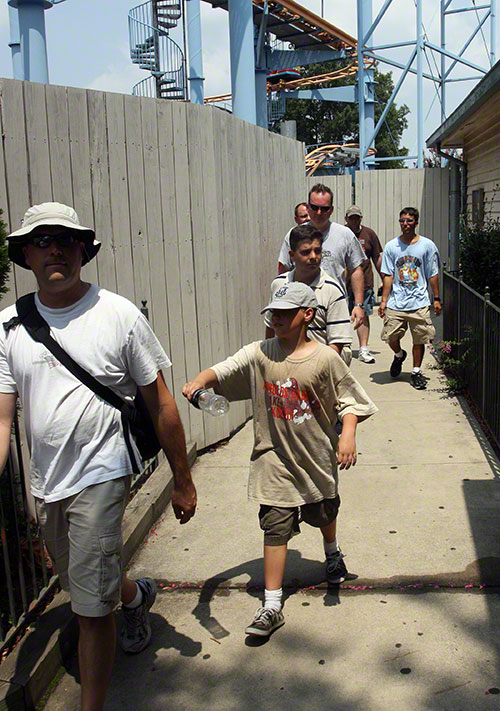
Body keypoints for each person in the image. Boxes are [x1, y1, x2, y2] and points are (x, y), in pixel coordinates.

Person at [0, 203, 197, 711]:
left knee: (88, 611)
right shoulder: (9, 328)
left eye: (65, 239)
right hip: (47, 482)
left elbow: (161, 401)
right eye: (42, 241)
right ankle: (135, 598)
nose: (55, 249)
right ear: (26, 254)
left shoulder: (119, 315)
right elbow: (2, 419)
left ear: (83, 250)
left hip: (102, 472)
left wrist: (183, 479)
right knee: (82, 584)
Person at [183, 281, 377, 637]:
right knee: (275, 525)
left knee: (323, 512)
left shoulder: (325, 359)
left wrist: (347, 433)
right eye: (274, 313)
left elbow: (351, 400)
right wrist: (199, 381)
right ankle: (271, 605)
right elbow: (225, 370)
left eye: (286, 313)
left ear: (307, 315)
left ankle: (331, 552)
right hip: (272, 459)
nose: (277, 319)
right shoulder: (260, 353)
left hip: (316, 457)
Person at [277, 184, 366, 341]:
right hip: (300, 308)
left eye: (324, 209)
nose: (319, 212)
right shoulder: (294, 234)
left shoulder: (344, 235)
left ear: (331, 210)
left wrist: (358, 305)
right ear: (308, 207)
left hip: (334, 308)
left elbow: (356, 269)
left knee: (335, 356)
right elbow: (284, 268)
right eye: (314, 207)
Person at [265, 223, 352, 360]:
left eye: (317, 251)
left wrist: (313, 369)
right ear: (292, 255)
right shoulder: (279, 285)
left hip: (322, 363)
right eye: (306, 252)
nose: (313, 256)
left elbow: (337, 343)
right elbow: (270, 327)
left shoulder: (332, 290)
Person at [378, 206, 442, 390]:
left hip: (419, 301)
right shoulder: (392, 246)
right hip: (396, 301)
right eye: (402, 220)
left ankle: (416, 371)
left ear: (416, 222)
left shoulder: (427, 246)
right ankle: (399, 355)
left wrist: (436, 298)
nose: (405, 224)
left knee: (419, 339)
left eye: (409, 220)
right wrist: (384, 301)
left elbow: (432, 273)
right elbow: (388, 275)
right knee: (390, 336)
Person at [344, 205, 383, 364]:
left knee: (363, 315)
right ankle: (342, 347)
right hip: (342, 284)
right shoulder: (340, 233)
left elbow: (377, 258)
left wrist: (384, 279)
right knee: (340, 316)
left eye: (356, 217)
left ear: (361, 218)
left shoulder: (369, 234)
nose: (354, 220)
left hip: (364, 283)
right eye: (351, 217)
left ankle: (363, 349)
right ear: (346, 219)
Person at [277, 202, 310, 276]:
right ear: (296, 219)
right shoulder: (291, 235)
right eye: (304, 216)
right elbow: (284, 265)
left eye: (310, 215)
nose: (308, 218)